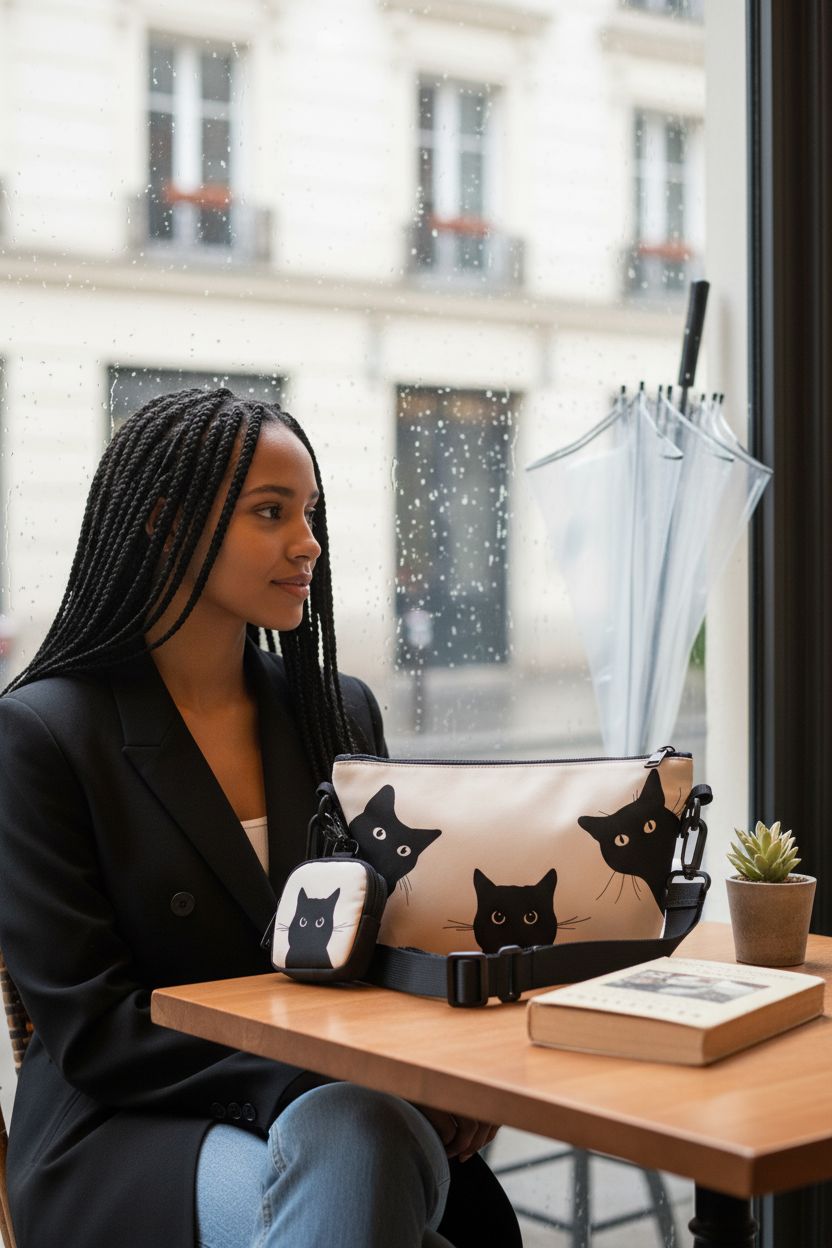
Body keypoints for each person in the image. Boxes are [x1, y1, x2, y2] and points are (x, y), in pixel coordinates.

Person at [0, 389, 521, 1248]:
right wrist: (332, 1080)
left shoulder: (335, 714)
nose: (307, 541)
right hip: (128, 1128)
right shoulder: (45, 735)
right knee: (361, 1148)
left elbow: (401, 940)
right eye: (270, 513)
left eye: (309, 511)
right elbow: (98, 1029)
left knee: (358, 1148)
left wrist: (454, 1072)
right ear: (167, 525)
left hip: (352, 1107)